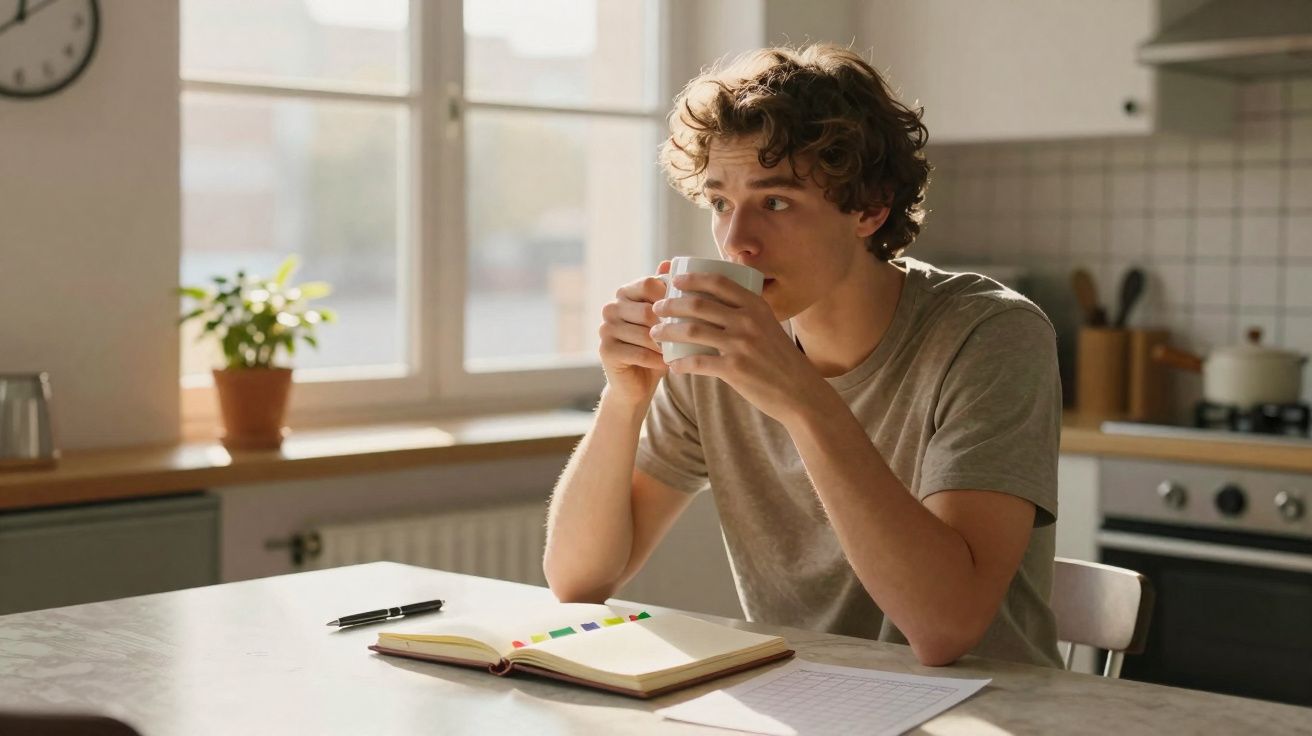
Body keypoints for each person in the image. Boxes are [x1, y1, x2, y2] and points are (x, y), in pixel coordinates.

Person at [542, 44, 1063, 668]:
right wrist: (623, 398)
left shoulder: (989, 334)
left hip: (984, 709)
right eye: (720, 204)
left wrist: (799, 396)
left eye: (777, 202)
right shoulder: (714, 349)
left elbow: (945, 629)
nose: (736, 243)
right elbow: (578, 581)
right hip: (804, 699)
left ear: (870, 207)